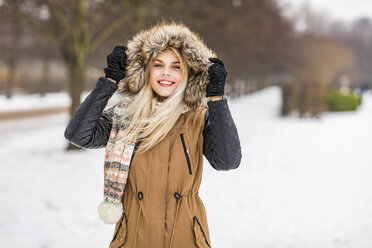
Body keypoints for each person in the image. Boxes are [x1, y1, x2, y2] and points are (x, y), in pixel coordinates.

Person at [64, 22, 241, 248]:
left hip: (185, 237)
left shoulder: (199, 118)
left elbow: (227, 161)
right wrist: (109, 82)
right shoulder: (124, 115)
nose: (166, 73)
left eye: (176, 67)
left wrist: (216, 99)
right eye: (158, 65)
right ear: (146, 71)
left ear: (187, 74)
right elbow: (78, 135)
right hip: (133, 237)